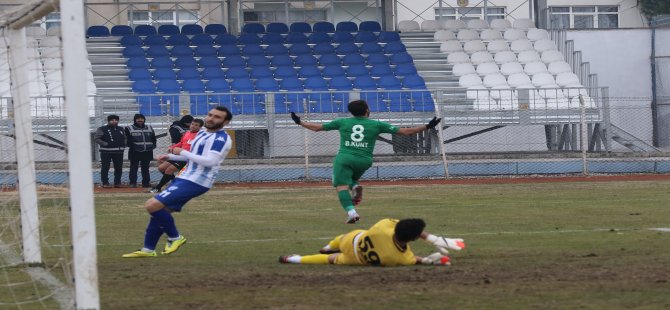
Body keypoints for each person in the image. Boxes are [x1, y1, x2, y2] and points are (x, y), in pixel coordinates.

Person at [290, 100, 442, 223]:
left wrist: (300, 122)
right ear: (366, 111)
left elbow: (317, 128)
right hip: (364, 160)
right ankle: (355, 185)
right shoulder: (376, 124)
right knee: (351, 179)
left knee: (341, 185)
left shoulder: (342, 122)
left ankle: (352, 212)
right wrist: (427, 126)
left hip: (345, 157)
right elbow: (404, 132)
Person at [122, 107, 233, 258]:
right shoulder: (202, 133)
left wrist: (182, 152)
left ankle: (175, 237)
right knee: (160, 211)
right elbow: (192, 156)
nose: (211, 118)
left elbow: (210, 161)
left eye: (217, 117)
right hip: (186, 176)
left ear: (225, 122)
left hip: (197, 180)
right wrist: (171, 157)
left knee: (151, 205)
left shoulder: (221, 138)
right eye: (210, 115)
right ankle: (148, 250)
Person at [278, 218, 465, 266]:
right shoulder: (398, 258)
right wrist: (427, 260)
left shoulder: (383, 227)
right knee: (331, 260)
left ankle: (326, 247)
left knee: (340, 240)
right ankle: (292, 259)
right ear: (413, 238)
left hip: (353, 240)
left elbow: (402, 224)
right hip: (357, 259)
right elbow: (412, 258)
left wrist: (432, 238)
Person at [149, 118, 204, 193]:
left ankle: (158, 188)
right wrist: (172, 147)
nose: (193, 126)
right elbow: (181, 143)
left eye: (196, 125)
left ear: (200, 127)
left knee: (169, 170)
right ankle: (175, 184)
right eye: (192, 124)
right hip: (179, 156)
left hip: (187, 158)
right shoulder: (187, 133)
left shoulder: (201, 135)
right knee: (161, 168)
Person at [125, 113, 157, 188]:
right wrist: (134, 146)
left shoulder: (149, 127)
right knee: (133, 167)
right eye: (138, 118)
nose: (140, 120)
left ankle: (146, 183)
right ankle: (133, 183)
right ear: (135, 120)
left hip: (147, 151)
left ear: (144, 119)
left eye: (141, 118)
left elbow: (153, 138)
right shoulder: (129, 128)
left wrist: (153, 146)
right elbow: (127, 140)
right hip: (134, 151)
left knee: (145, 168)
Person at [94, 114, 126, 188]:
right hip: (106, 151)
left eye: (116, 120)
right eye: (112, 120)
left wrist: (124, 144)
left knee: (118, 167)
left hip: (119, 152)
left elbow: (125, 138)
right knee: (105, 167)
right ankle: (105, 183)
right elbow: (96, 138)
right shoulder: (102, 129)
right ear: (108, 121)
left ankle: (117, 183)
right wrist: (105, 144)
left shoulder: (121, 129)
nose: (114, 121)